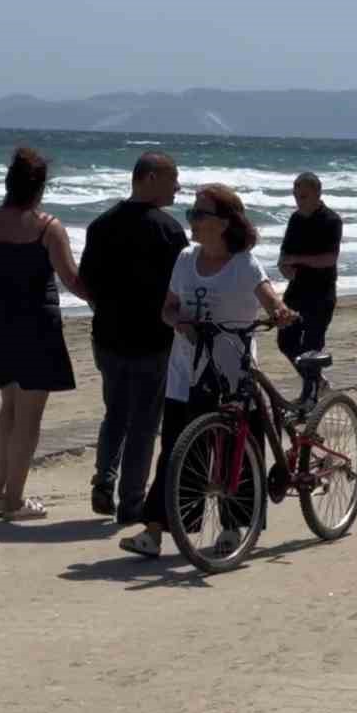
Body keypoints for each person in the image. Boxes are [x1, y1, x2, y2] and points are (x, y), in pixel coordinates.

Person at [120, 184, 295, 558]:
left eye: (200, 214)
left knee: (234, 449)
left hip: (232, 372)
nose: (193, 222)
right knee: (177, 451)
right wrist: (178, 321)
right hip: (187, 372)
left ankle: (233, 529)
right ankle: (155, 531)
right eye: (191, 214)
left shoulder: (243, 263)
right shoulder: (185, 259)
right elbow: (168, 307)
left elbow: (268, 297)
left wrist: (279, 312)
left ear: (226, 221)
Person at [0, 147, 85, 521]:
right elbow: (72, 279)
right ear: (39, 188)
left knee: (9, 407)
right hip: (36, 324)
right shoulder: (46, 227)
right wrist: (109, 299)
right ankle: (14, 500)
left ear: (9, 184)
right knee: (29, 416)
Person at [79, 152, 187, 523]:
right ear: (150, 178)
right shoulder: (169, 231)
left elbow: (86, 283)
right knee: (143, 423)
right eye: (173, 179)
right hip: (153, 339)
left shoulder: (101, 225)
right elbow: (181, 289)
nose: (178, 186)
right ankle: (131, 502)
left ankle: (104, 481)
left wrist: (107, 306)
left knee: (116, 413)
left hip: (108, 335)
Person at [277, 172, 343, 368]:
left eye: (303, 196)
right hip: (296, 290)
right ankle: (315, 381)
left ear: (317, 194)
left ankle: (313, 389)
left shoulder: (331, 220)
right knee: (285, 342)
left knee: (312, 347)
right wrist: (284, 267)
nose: (299, 201)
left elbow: (329, 259)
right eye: (296, 196)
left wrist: (297, 259)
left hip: (321, 293)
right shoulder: (295, 219)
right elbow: (284, 254)